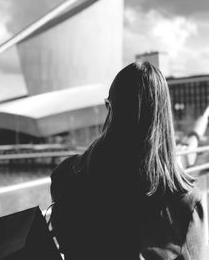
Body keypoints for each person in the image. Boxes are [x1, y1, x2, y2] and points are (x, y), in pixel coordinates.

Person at [50, 62, 207, 259]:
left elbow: (65, 242)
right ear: (164, 117)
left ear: (112, 108)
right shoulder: (185, 201)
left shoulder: (67, 175)